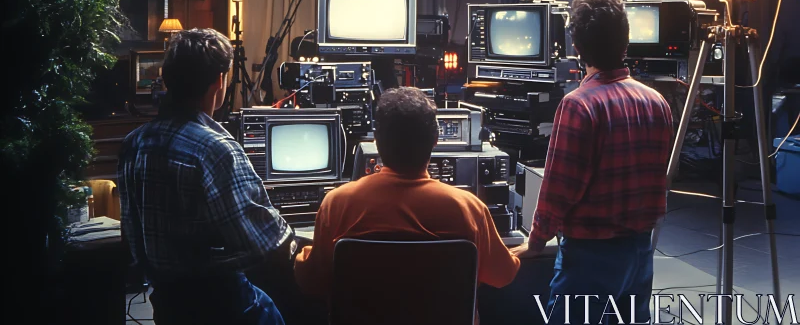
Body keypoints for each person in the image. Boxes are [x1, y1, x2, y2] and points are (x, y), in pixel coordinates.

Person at [511, 0, 673, 325]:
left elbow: (559, 189)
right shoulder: (657, 101)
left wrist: (536, 242)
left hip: (589, 258)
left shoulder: (579, 104)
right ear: (626, 43)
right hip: (640, 253)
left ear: (577, 48)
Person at [118, 28, 294, 325]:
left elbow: (133, 238)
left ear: (167, 76)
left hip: (167, 303)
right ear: (219, 81)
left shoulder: (134, 142)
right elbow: (266, 244)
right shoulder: (216, 149)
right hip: (223, 305)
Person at [294, 87, 520, 303]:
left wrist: (302, 253)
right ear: (435, 140)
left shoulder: (337, 204)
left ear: (377, 140)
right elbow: (503, 276)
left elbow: (312, 282)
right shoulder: (469, 208)